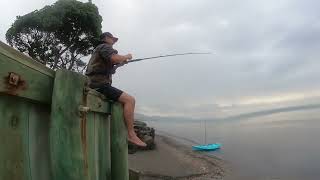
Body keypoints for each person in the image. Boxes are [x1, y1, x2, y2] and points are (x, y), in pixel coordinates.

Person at [86, 32, 146, 147]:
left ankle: (128, 132)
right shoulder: (104, 47)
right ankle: (131, 134)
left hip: (95, 83)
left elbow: (110, 67)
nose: (114, 41)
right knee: (130, 100)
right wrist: (126, 56)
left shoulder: (100, 50)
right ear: (106, 38)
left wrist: (120, 64)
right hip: (99, 84)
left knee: (123, 101)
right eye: (112, 39)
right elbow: (114, 58)